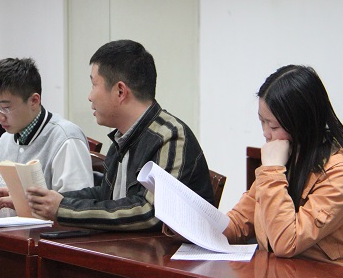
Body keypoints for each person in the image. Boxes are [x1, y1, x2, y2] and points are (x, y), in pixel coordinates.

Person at [24, 39, 215, 231]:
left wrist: (64, 209)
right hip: (127, 245)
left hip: (166, 250)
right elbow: (106, 195)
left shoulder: (169, 136)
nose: (89, 96)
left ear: (120, 91)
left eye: (94, 85)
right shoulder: (123, 136)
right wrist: (41, 201)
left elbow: (150, 213)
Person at [223, 65, 343, 269]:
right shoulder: (286, 154)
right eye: (262, 122)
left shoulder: (341, 173)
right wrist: (196, 229)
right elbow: (239, 222)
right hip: (282, 275)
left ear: (301, 123)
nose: (266, 133)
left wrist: (272, 171)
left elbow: (287, 242)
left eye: (273, 126)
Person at [0, 57, 93, 201]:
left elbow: (76, 205)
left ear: (34, 101)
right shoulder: (5, 140)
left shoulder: (66, 139)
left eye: (5, 108)